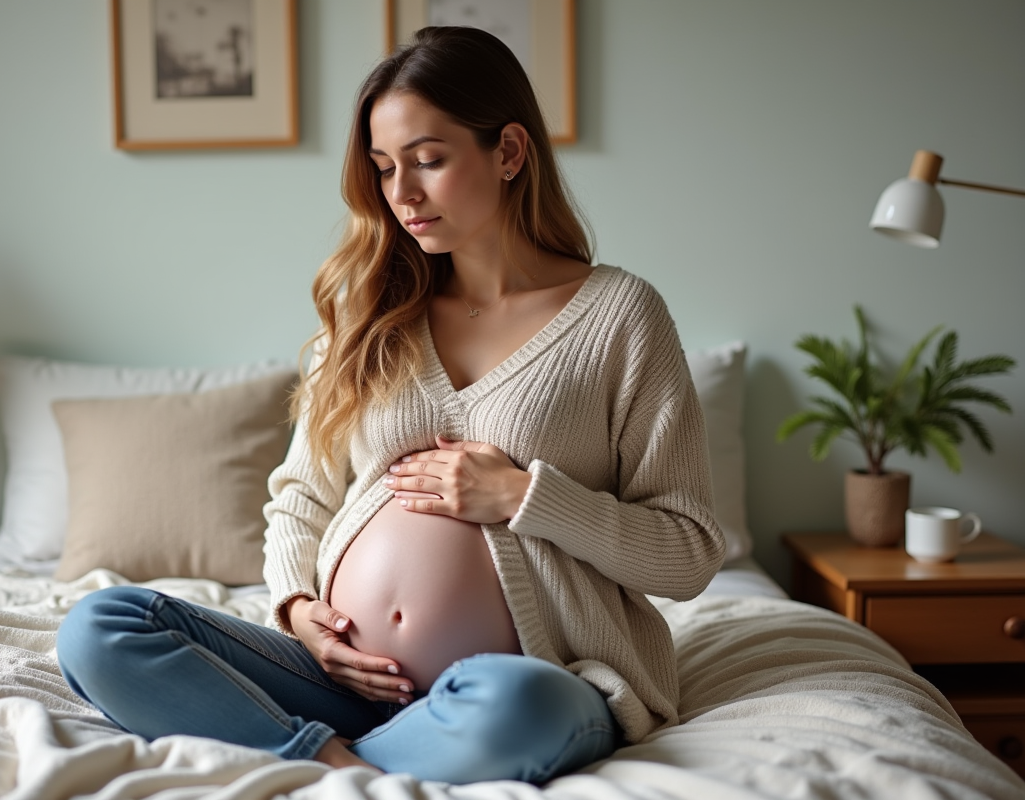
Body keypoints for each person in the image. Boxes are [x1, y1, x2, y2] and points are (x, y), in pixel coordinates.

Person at [56, 26, 725, 786]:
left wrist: (526, 497)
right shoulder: (370, 314)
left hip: (528, 675)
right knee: (100, 626)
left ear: (508, 152)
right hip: (337, 685)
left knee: (524, 705)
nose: (401, 193)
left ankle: (306, 758)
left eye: (428, 161)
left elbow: (689, 551)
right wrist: (296, 611)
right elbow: (301, 497)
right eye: (383, 169)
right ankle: (331, 762)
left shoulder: (620, 315)